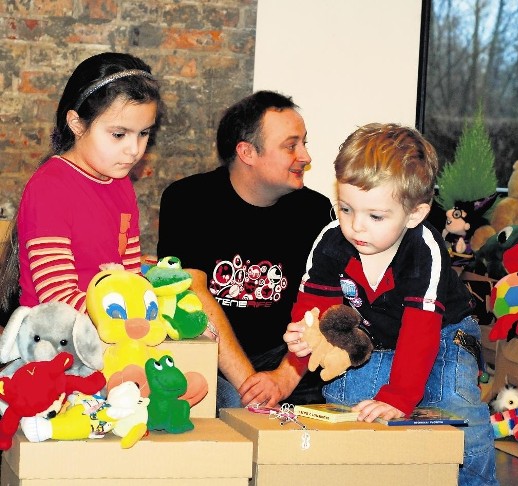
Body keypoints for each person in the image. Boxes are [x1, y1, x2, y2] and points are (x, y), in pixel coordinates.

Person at [283, 123, 498, 485]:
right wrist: (305, 339)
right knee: (348, 401)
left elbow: (420, 329)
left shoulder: (423, 248)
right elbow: (315, 309)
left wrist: (399, 395)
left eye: (375, 216)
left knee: (459, 411)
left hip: (442, 334)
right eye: (346, 208)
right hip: (373, 338)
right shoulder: (331, 241)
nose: (356, 228)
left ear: (414, 215)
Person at [157, 90, 333, 412]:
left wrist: (282, 378)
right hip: (209, 351)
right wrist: (252, 387)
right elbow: (191, 292)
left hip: (287, 357)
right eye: (291, 146)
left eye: (304, 143)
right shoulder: (187, 200)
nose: (305, 156)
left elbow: (322, 302)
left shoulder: (316, 212)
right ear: (247, 152)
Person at [0, 52, 163, 314]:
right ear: (76, 124)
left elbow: (130, 277)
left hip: (110, 329)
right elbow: (57, 298)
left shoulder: (121, 184)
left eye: (144, 133)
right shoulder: (50, 188)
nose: (134, 149)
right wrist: (130, 317)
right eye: (119, 134)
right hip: (54, 337)